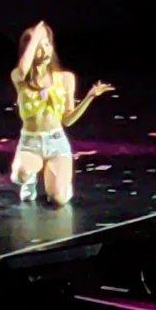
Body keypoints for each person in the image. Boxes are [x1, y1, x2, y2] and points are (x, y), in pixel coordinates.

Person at [10, 20, 114, 205]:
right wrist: (36, 36)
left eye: (47, 45)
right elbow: (24, 68)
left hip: (56, 142)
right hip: (30, 142)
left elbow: (68, 120)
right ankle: (30, 179)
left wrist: (89, 97)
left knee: (58, 199)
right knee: (21, 174)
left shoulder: (66, 78)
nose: (45, 50)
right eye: (39, 47)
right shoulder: (19, 78)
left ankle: (61, 184)